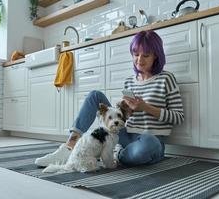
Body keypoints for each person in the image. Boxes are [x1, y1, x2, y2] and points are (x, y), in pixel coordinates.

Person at [35, 30, 184, 167]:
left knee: (149, 144)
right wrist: (125, 110)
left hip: (151, 140)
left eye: (145, 55)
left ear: (156, 55)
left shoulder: (166, 78)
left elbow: (178, 117)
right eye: (135, 54)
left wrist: (145, 108)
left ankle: (116, 154)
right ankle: (69, 148)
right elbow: (122, 119)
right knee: (95, 95)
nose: (139, 60)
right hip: (126, 134)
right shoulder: (129, 81)